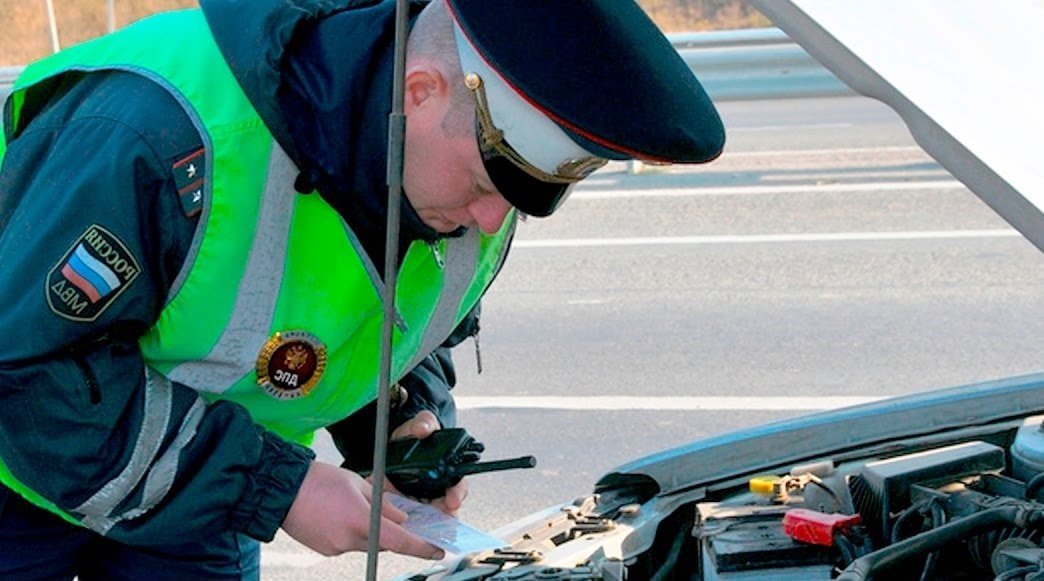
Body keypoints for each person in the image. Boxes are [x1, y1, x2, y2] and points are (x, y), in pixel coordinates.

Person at [0, 0, 725, 578]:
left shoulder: (483, 181)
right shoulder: (158, 136)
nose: (489, 221)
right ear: (419, 90)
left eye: (518, 199)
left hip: (189, 491)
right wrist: (275, 486)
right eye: (480, 186)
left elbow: (401, 319)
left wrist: (402, 423)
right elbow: (22, 367)